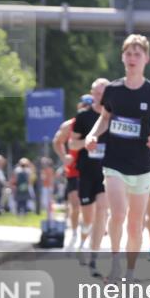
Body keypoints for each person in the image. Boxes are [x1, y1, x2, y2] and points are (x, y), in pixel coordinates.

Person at [84, 34, 150, 287]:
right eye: (128, 54)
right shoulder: (112, 89)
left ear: (146, 59)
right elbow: (105, 118)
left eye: (137, 54)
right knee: (118, 213)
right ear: (122, 57)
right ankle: (115, 263)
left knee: (135, 224)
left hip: (142, 166)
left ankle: (131, 270)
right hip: (114, 162)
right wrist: (92, 135)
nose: (132, 59)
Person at [68, 83, 111, 277]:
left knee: (102, 208)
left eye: (104, 93)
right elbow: (72, 144)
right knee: (88, 218)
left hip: (107, 172)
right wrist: (87, 142)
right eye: (97, 92)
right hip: (86, 172)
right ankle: (83, 241)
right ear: (92, 94)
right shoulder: (83, 117)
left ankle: (94, 256)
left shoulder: (113, 117)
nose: (100, 96)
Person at [53, 102, 89, 250]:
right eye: (83, 106)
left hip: (92, 169)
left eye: (88, 106)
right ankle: (74, 234)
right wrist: (64, 157)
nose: (85, 109)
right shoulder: (70, 124)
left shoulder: (98, 121)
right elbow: (57, 141)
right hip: (74, 169)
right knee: (75, 204)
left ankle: (86, 234)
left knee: (89, 206)